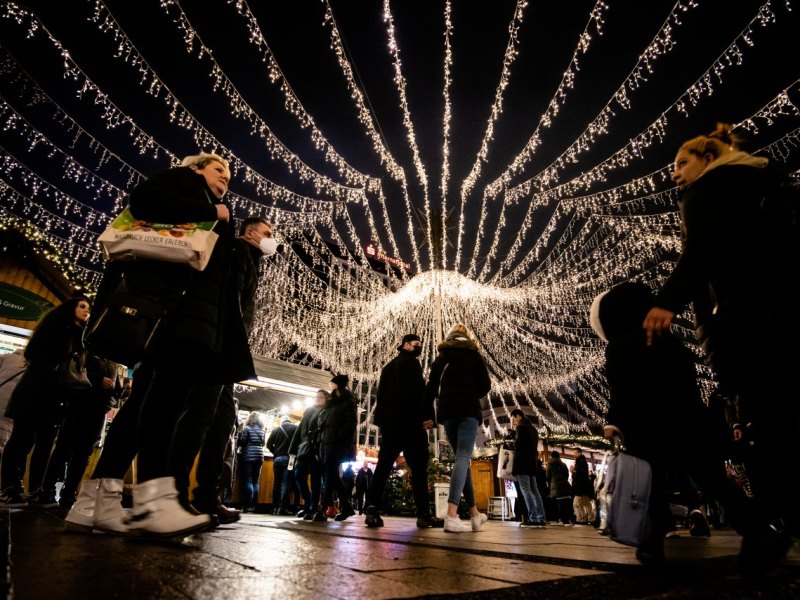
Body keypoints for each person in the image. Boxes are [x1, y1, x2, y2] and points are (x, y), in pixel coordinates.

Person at [65, 152, 254, 536]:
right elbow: (144, 201)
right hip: (180, 319)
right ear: (196, 168)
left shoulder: (201, 200)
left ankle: (95, 501)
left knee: (141, 409)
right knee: (164, 405)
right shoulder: (186, 184)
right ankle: (156, 502)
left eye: (229, 174)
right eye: (219, 169)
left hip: (181, 318)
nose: (225, 178)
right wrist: (215, 214)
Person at [641, 123, 799, 574]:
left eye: (681, 163)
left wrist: (666, 303)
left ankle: (772, 524)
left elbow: (703, 252)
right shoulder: (769, 183)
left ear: (708, 159)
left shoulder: (707, 193)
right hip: (790, 312)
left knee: (766, 422)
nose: (674, 175)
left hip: (747, 322)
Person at [591, 281, 716, 565]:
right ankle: (755, 526)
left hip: (647, 431)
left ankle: (651, 544)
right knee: (710, 477)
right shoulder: (668, 340)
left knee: (652, 488)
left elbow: (623, 391)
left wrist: (615, 421)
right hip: (688, 422)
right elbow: (689, 381)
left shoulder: (621, 348)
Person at [173, 216, 276, 525]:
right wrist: (229, 344)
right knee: (199, 421)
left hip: (226, 351)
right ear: (250, 233)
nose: (272, 239)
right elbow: (230, 301)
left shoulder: (248, 258)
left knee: (220, 424)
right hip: (219, 349)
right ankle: (177, 495)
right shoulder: (239, 251)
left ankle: (206, 496)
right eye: (267, 233)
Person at [0, 296, 91, 508]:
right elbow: (34, 354)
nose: (87, 311)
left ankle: (37, 490)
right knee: (21, 440)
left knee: (45, 443)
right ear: (70, 308)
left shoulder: (80, 337)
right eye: (82, 306)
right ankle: (9, 487)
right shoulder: (55, 329)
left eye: (89, 308)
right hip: (34, 391)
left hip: (55, 397)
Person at [364, 333, 442, 529]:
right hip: (411, 425)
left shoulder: (388, 367)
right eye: (417, 344)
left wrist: (382, 421)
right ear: (406, 345)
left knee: (383, 467)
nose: (419, 348)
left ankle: (372, 510)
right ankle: (423, 514)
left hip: (391, 426)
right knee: (418, 470)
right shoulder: (412, 364)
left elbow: (381, 397)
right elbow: (419, 393)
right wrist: (428, 417)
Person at [424, 323, 491, 533]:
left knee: (462, 460)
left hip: (447, 412)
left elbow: (430, 389)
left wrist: (430, 414)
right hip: (468, 411)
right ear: (466, 336)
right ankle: (451, 515)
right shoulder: (473, 356)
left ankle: (474, 515)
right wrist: (469, 390)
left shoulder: (441, 358)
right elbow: (485, 386)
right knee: (463, 458)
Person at [40, 353, 120, 509]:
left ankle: (68, 494)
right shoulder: (85, 352)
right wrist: (98, 380)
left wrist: (116, 393)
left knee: (82, 456)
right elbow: (71, 374)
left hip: (97, 413)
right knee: (64, 450)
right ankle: (47, 490)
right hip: (78, 408)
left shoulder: (110, 361)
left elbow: (114, 387)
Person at [313, 374, 357, 522]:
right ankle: (347, 507)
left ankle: (322, 509)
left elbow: (350, 423)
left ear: (337, 384)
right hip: (326, 444)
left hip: (337, 445)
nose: (329, 385)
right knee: (331, 476)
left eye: (331, 383)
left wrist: (339, 437)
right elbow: (323, 425)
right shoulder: (331, 402)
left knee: (329, 476)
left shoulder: (347, 401)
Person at [288, 389, 327, 519]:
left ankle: (313, 507)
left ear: (326, 399)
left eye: (320, 397)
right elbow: (299, 432)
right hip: (304, 449)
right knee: (299, 475)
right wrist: (292, 451)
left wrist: (319, 450)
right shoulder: (308, 411)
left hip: (316, 450)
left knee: (316, 481)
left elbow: (324, 433)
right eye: (316, 396)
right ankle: (308, 503)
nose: (317, 398)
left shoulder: (326, 412)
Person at [509, 409, 546, 528]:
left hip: (522, 463)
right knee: (535, 491)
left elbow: (518, 445)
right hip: (531, 464)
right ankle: (541, 517)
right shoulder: (533, 429)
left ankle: (533, 518)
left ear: (518, 416)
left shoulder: (521, 428)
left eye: (514, 418)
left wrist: (512, 441)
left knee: (526, 490)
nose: (514, 421)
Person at [266, 415, 298, 515]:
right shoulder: (295, 428)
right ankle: (282, 508)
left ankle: (274, 508)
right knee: (285, 483)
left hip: (277, 459)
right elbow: (299, 443)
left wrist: (275, 452)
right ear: (289, 420)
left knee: (276, 483)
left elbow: (268, 445)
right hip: (289, 459)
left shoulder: (276, 429)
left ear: (282, 421)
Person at [238, 411, 266, 513]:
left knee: (248, 480)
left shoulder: (247, 428)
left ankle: (247, 506)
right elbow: (263, 444)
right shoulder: (263, 430)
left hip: (249, 455)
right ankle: (254, 506)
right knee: (256, 480)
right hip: (259, 456)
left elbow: (243, 441)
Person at [546, 451, 574, 526]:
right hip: (564, 485)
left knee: (557, 503)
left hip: (555, 485)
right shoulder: (563, 464)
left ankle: (560, 519)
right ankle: (566, 519)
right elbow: (567, 475)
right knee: (564, 502)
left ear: (551, 456)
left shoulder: (550, 465)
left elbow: (548, 477)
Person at [570, 448, 595, 525]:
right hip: (584, 487)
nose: (573, 454)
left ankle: (581, 519)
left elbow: (580, 476)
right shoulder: (582, 462)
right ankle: (591, 519)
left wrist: (573, 472)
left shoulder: (581, 463)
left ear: (579, 453)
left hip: (580, 487)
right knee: (586, 503)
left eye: (575, 453)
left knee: (576, 504)